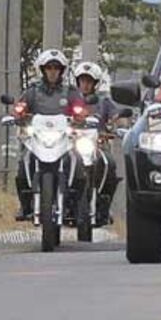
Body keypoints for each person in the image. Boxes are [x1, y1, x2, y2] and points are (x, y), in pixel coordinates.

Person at [14, 49, 85, 221]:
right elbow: (20, 108)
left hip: (63, 140)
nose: (53, 71)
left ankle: (77, 207)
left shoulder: (71, 92)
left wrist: (80, 116)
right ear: (43, 69)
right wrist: (19, 114)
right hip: (38, 140)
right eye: (49, 67)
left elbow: (81, 110)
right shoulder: (32, 91)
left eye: (56, 67)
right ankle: (25, 207)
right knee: (24, 166)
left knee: (80, 166)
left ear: (62, 70)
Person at [73, 61, 122, 226]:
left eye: (89, 81)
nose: (85, 84)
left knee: (110, 164)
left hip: (97, 145)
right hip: (69, 144)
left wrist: (116, 123)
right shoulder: (69, 99)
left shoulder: (103, 101)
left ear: (95, 83)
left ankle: (104, 206)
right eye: (82, 80)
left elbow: (117, 118)